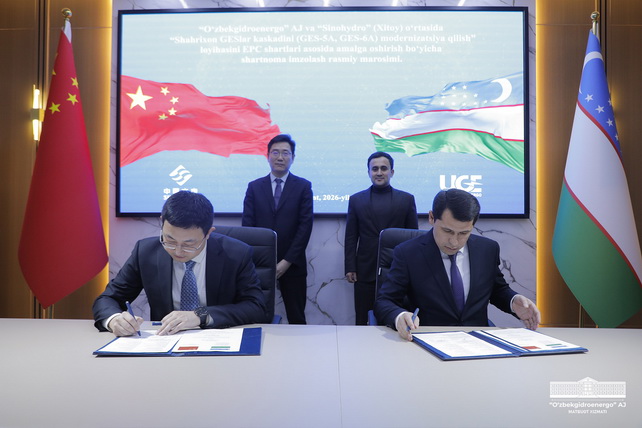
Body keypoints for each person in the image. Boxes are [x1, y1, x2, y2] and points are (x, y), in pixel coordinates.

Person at [93, 191, 267, 336]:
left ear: (208, 233)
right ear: (162, 222)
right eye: (169, 240)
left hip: (219, 340)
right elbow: (108, 298)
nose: (177, 251)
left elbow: (256, 307)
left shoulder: (236, 254)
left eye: (189, 244)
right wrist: (114, 320)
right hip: (165, 342)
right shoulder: (145, 252)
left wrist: (200, 316)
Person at [374, 188, 540, 340]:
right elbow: (384, 301)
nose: (454, 242)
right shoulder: (408, 253)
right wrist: (399, 315)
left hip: (477, 342)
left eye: (464, 233)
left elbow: (497, 290)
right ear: (431, 218)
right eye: (447, 231)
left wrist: (513, 301)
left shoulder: (487, 249)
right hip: (429, 341)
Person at [242, 134, 313, 324]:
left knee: (296, 317)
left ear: (293, 157)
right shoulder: (254, 187)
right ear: (267, 156)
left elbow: (305, 227)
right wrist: (259, 259)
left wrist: (286, 261)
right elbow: (248, 227)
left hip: (292, 263)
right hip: (259, 264)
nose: (280, 157)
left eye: (285, 153)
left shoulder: (303, 187)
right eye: (275, 152)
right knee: (258, 315)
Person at [344, 152, 418, 325]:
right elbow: (351, 236)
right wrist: (350, 266)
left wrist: (413, 269)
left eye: (383, 168)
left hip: (397, 269)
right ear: (368, 172)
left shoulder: (406, 199)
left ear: (392, 172)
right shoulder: (356, 200)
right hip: (364, 270)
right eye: (374, 169)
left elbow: (413, 237)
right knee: (362, 319)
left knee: (395, 318)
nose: (379, 172)